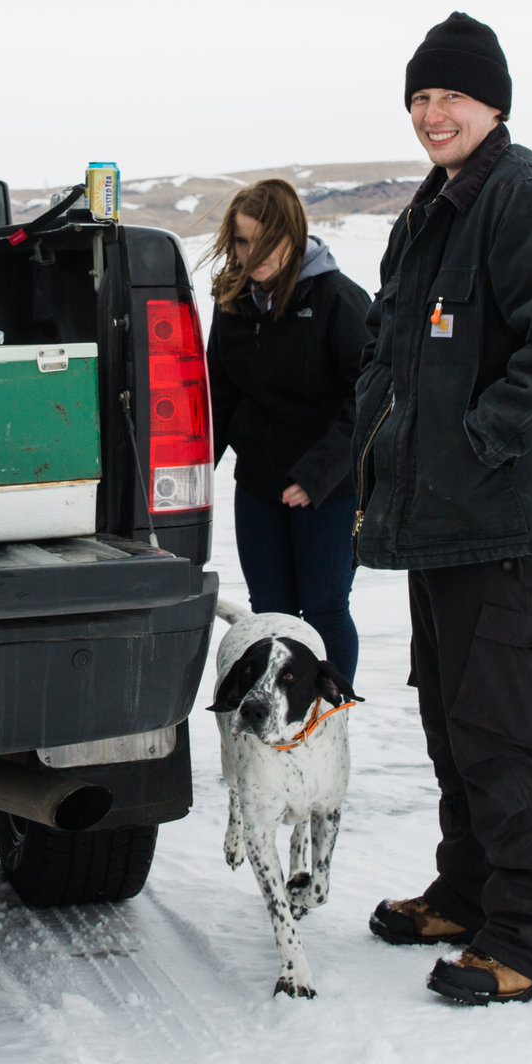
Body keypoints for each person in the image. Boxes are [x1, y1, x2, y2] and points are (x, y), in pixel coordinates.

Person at [354, 11, 532, 1006]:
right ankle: (469, 890)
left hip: (495, 519)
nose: (432, 114)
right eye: (420, 98)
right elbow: (393, 355)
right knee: (452, 714)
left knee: (506, 725)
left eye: (449, 96)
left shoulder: (517, 196)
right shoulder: (432, 208)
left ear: (492, 102)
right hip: (436, 524)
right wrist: (381, 452)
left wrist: (474, 442)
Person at [203, 178, 371, 686]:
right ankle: (279, 721)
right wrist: (191, 472)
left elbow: (369, 397)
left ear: (293, 236)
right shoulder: (233, 302)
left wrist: (319, 473)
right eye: (241, 240)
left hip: (330, 490)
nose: (252, 254)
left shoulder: (339, 300)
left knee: (323, 610)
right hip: (258, 485)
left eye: (266, 240)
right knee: (270, 613)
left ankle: (328, 718)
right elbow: (221, 396)